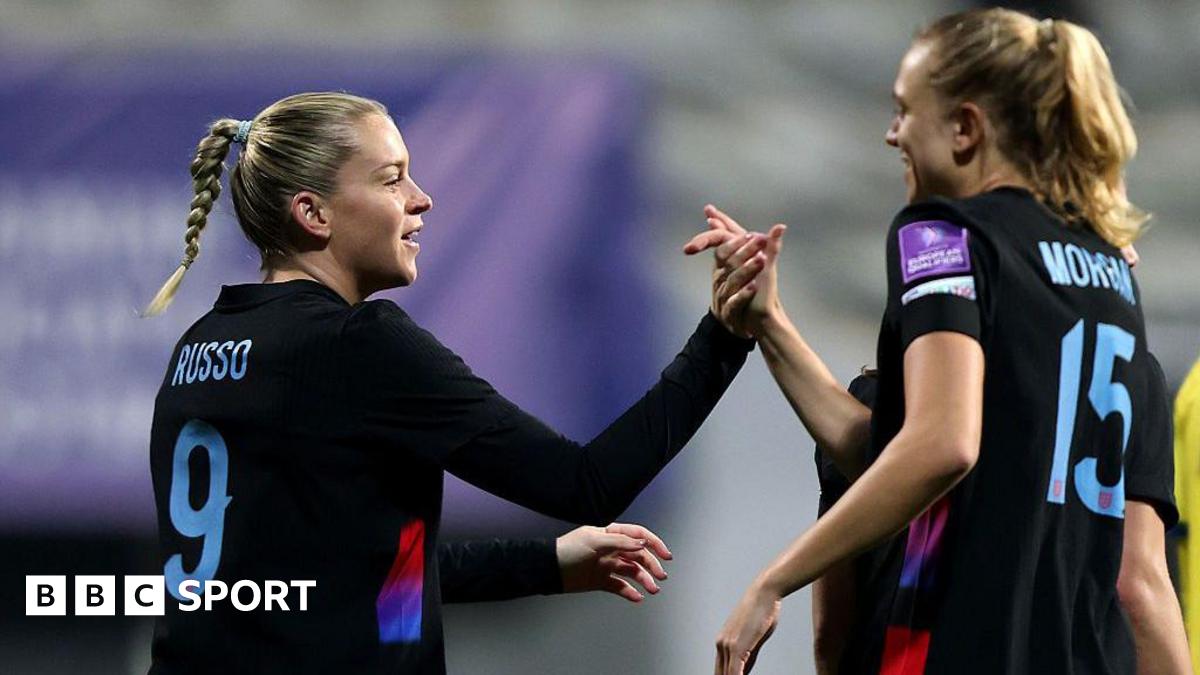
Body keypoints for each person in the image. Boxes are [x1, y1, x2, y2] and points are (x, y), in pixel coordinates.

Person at [144, 91, 755, 674]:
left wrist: (548, 564)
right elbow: (586, 482)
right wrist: (725, 337)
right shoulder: (357, 342)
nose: (422, 198)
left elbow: (349, 573)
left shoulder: (198, 347)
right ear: (312, 213)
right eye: (391, 179)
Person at [685, 8, 1189, 674]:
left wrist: (775, 577)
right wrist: (770, 324)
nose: (892, 134)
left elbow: (943, 442)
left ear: (965, 128)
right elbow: (1139, 579)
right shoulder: (1115, 282)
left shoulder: (943, 233)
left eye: (904, 109)